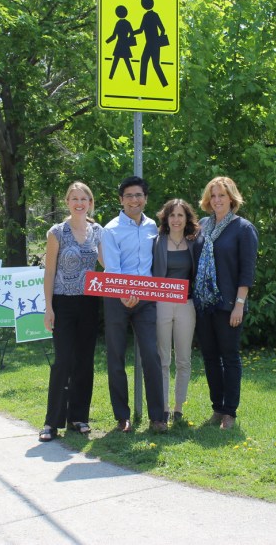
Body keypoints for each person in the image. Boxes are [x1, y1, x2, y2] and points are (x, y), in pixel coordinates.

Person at [39, 182, 103, 442]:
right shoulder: (57, 232)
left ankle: (78, 418)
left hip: (89, 303)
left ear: (90, 202)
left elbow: (106, 264)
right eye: (74, 198)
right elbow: (50, 271)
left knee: (85, 362)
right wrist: (49, 308)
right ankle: (51, 422)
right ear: (67, 202)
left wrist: (127, 282)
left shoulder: (97, 231)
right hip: (63, 303)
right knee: (63, 361)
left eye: (83, 198)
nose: (79, 203)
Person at [192, 177, 258, 430]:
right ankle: (217, 408)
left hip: (230, 304)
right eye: (213, 195)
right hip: (204, 303)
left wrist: (239, 304)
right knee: (210, 357)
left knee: (229, 357)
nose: (217, 200)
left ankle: (230, 411)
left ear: (232, 197)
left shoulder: (243, 228)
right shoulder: (202, 226)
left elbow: (247, 270)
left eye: (222, 195)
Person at [102, 176, 167, 433]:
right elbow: (112, 268)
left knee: (152, 354)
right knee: (116, 356)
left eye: (138, 195)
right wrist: (124, 293)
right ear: (121, 200)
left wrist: (141, 292)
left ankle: (158, 417)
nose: (134, 200)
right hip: (117, 299)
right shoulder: (111, 229)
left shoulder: (153, 226)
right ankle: (122, 417)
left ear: (146, 198)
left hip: (147, 300)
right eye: (128, 196)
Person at [153, 199, 200, 423]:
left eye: (180, 215)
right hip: (161, 303)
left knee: (183, 359)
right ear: (166, 218)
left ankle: (178, 408)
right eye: (172, 215)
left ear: (187, 218)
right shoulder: (157, 242)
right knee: (163, 358)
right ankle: (162, 407)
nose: (176, 219)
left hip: (186, 305)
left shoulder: (194, 242)